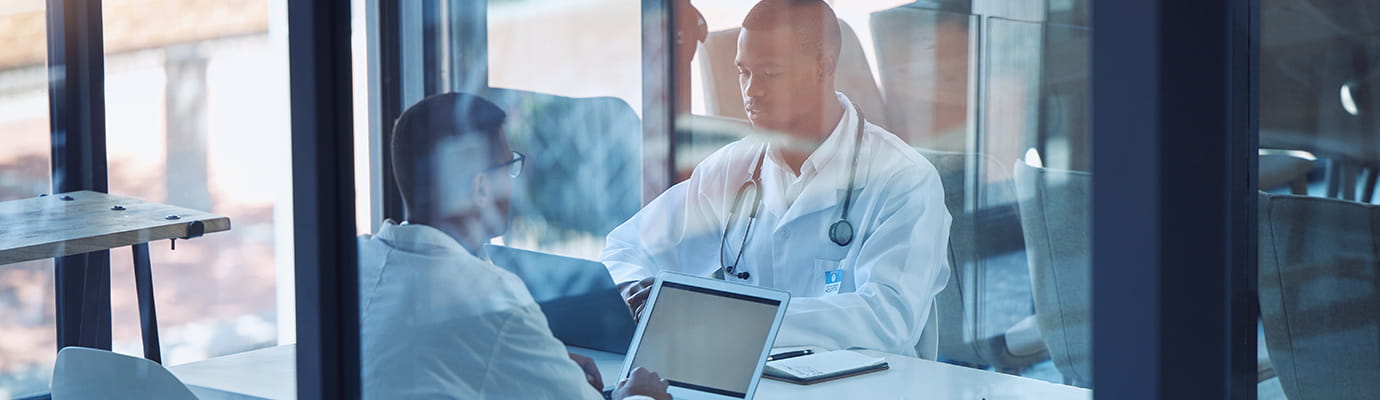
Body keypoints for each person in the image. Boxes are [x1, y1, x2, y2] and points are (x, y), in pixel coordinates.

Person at [602, 0, 951, 357]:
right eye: (744, 72)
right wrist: (638, 296)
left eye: (771, 74)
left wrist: (736, 317)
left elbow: (887, 319)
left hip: (868, 382)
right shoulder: (734, 168)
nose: (751, 91)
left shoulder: (904, 180)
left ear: (824, 67)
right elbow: (627, 249)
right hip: (751, 376)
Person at [358, 92, 670, 400]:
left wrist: (542, 361)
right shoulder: (493, 299)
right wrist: (634, 395)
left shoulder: (355, 261)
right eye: (508, 166)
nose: (512, 182)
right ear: (481, 187)